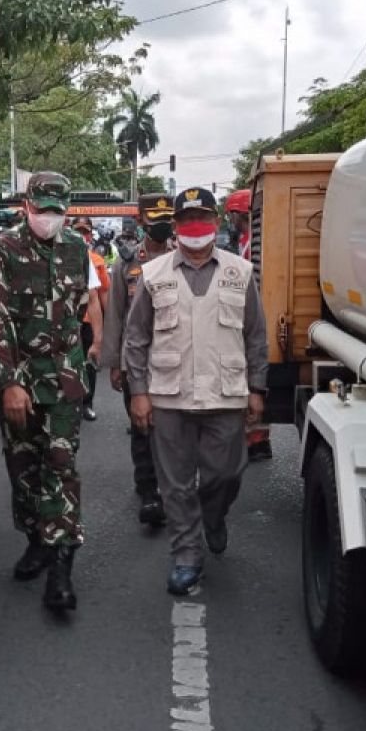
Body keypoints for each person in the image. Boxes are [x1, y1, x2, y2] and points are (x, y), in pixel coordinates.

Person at [124, 187, 268, 596]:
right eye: (186, 220)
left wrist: (258, 387)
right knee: (175, 483)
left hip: (226, 394)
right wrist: (138, 392)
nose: (194, 227)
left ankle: (213, 516)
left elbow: (255, 335)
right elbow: (136, 340)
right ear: (176, 226)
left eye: (202, 218)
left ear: (217, 221)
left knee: (226, 473)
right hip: (169, 396)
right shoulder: (154, 275)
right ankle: (186, 555)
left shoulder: (240, 272)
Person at [0, 171, 102, 611]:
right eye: (41, 209)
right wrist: (11, 384)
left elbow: (80, 309)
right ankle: (36, 539)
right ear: (25, 207)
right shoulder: (0, 251)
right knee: (24, 469)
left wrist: (86, 356)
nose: (48, 218)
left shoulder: (76, 249)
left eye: (57, 210)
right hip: (22, 383)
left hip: (65, 381)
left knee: (62, 466)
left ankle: (62, 570)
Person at [101, 192, 175, 528]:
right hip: (138, 361)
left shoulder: (183, 257)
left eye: (167, 220)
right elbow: (116, 314)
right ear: (143, 220)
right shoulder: (128, 263)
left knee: (174, 428)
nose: (162, 227)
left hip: (175, 359)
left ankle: (173, 485)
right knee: (142, 426)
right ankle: (148, 491)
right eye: (155, 220)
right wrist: (115, 363)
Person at [225, 189, 273, 462]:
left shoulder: (254, 242)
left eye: (230, 214)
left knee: (249, 378)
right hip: (254, 317)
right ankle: (256, 438)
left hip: (252, 318)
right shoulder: (248, 240)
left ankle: (255, 439)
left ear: (237, 214)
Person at [71, 217, 109, 422]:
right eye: (78, 231)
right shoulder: (63, 255)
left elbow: (102, 296)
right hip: (68, 322)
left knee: (88, 363)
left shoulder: (97, 261)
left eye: (85, 231)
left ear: (91, 234)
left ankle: (87, 403)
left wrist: (103, 334)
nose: (82, 235)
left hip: (88, 321)